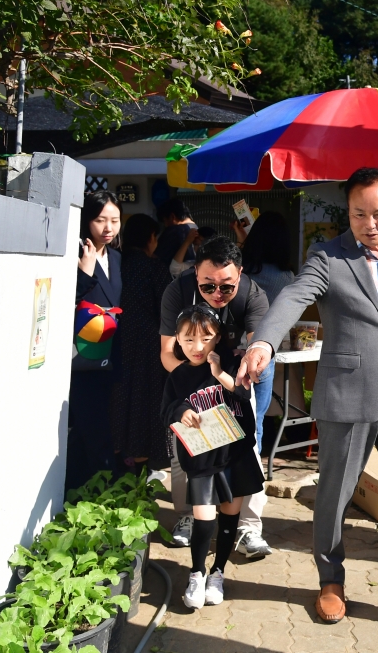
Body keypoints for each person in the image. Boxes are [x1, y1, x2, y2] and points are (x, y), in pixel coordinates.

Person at [237, 168, 378, 638]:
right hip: (346, 397)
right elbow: (294, 298)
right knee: (333, 499)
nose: (370, 223)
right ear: (349, 213)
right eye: (360, 213)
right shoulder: (327, 256)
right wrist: (264, 343)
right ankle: (331, 582)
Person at [158, 235, 273, 558]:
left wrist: (235, 378)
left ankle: (248, 526)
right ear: (196, 273)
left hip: (237, 377)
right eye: (209, 286)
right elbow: (167, 352)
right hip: (190, 372)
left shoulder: (253, 296)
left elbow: (257, 347)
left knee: (248, 445)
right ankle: (188, 516)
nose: (218, 294)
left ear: (240, 274)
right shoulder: (176, 292)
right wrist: (191, 382)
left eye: (227, 286)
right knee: (187, 442)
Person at [161, 305, 263, 609]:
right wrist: (182, 412)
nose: (197, 347)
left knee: (230, 518)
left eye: (205, 338)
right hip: (202, 458)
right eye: (188, 340)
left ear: (217, 337)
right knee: (204, 519)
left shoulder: (232, 363)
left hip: (235, 455)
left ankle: (218, 572)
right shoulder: (177, 376)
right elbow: (167, 409)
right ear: (177, 340)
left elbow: (244, 395)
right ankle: (196, 573)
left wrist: (219, 374)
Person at [66, 190, 123, 492]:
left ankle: (76, 490)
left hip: (111, 354)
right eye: (101, 219)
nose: (108, 227)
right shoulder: (76, 253)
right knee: (92, 430)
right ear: (87, 220)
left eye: (114, 220)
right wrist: (84, 272)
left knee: (87, 433)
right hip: (84, 358)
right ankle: (104, 494)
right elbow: (65, 301)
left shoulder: (116, 257)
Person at [109, 213, 172, 471]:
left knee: (120, 397)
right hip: (149, 342)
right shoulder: (153, 267)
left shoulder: (116, 263)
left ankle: (117, 455)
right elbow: (167, 306)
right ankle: (142, 462)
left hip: (117, 338)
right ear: (150, 238)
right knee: (146, 399)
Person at [240, 211, 296, 448]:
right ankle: (254, 480)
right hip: (264, 352)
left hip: (231, 350)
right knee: (256, 420)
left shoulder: (240, 272)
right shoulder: (286, 277)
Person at [155, 197, 199, 273]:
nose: (165, 225)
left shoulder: (174, 231)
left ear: (172, 217)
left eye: (165, 221)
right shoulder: (197, 229)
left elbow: (157, 257)